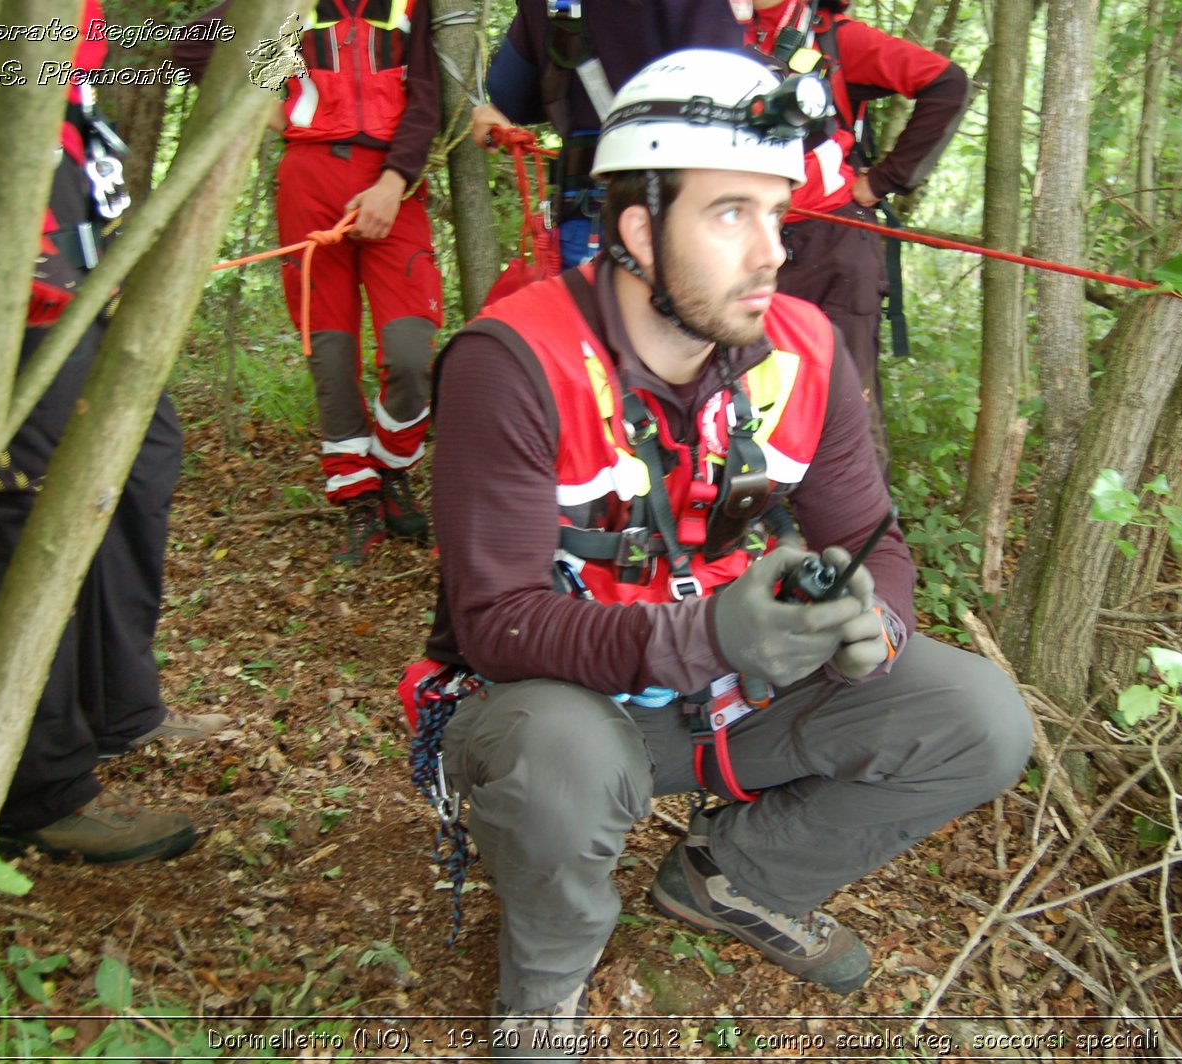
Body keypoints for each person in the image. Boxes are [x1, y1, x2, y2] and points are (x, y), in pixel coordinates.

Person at [425, 49, 1031, 1059]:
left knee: (975, 717)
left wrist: (867, 621)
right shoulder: (513, 363)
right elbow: (496, 620)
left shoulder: (802, 351)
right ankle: (546, 979)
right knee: (559, 761)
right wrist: (704, 632)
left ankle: (733, 876)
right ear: (635, 230)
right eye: (728, 214)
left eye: (775, 212)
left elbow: (873, 539)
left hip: (733, 697)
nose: (771, 253)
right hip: (565, 706)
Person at [0, 0, 231, 865]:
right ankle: (40, 785)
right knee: (30, 508)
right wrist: (24, 246)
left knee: (143, 459)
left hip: (85, 245)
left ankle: (120, 706)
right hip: (16, 257)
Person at [176, 1, 444, 563]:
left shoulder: (409, 5)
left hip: (393, 183)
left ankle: (393, 466)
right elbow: (192, 44)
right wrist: (269, 98)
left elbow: (426, 98)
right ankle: (359, 496)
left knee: (410, 352)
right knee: (329, 348)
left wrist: (394, 183)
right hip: (309, 178)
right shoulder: (284, 4)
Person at [746, 0, 970, 475]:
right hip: (744, 240)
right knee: (745, 400)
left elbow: (947, 83)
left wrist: (883, 180)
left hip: (833, 245)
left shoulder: (836, 38)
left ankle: (860, 542)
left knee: (845, 400)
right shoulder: (716, 31)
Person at [468, 1, 746, 269]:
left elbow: (509, 94)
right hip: (682, 208)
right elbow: (731, 93)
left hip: (584, 210)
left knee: (590, 315)